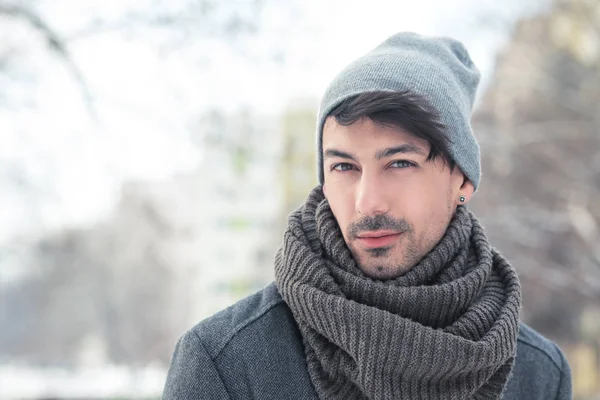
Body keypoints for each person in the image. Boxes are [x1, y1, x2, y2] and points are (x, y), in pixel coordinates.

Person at [162, 32, 572, 400]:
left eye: (399, 163)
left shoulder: (538, 374)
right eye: (344, 167)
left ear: (462, 179)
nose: (367, 202)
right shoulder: (227, 364)